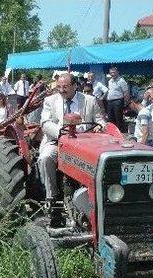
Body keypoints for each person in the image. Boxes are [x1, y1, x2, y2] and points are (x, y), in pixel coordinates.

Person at [38, 73, 105, 214]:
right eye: (59, 87)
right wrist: (61, 133)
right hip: (57, 142)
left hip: (85, 143)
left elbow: (100, 120)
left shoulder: (90, 100)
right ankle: (51, 196)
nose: (61, 90)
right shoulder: (50, 101)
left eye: (65, 87)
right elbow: (45, 123)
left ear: (75, 86)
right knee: (45, 158)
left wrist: (100, 125)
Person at [106, 67, 130, 133]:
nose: (112, 74)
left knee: (118, 118)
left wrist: (126, 103)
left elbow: (126, 92)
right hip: (110, 101)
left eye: (113, 72)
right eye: (111, 73)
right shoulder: (110, 81)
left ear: (117, 72)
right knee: (110, 118)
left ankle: (120, 132)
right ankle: (111, 132)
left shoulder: (121, 81)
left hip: (118, 101)